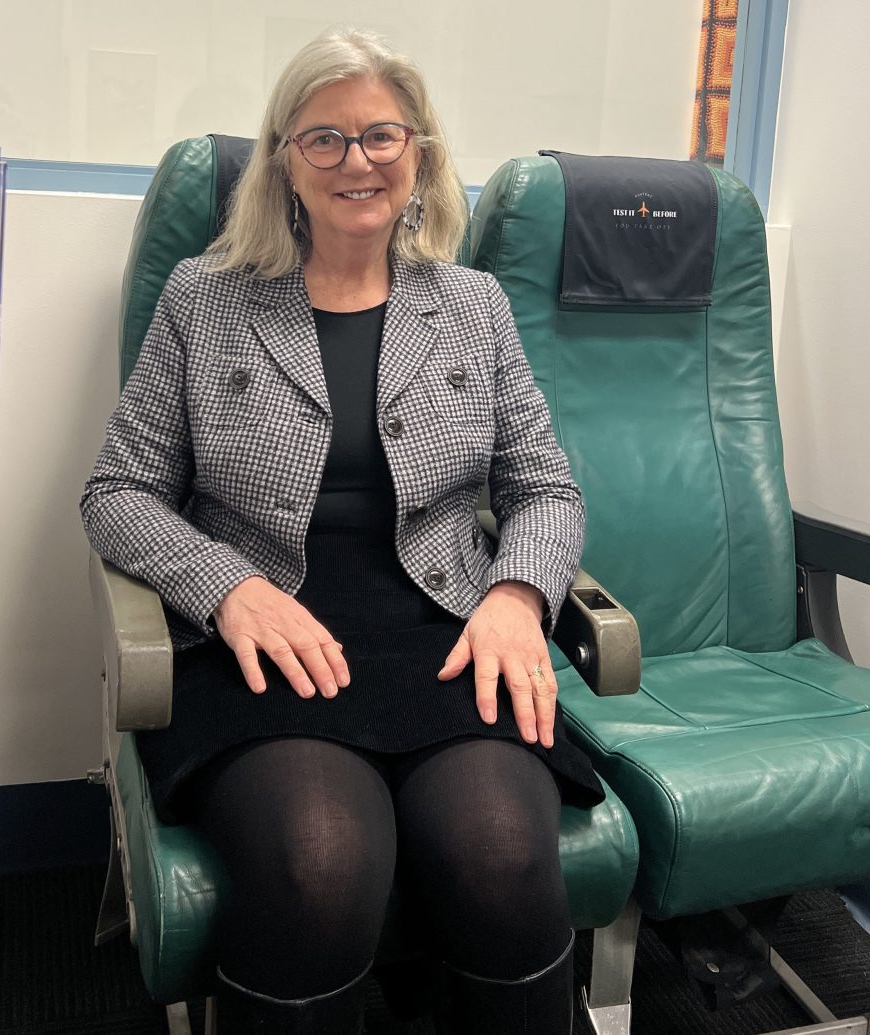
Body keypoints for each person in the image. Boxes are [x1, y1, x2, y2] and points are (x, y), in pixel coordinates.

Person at [81, 27, 603, 1035]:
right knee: (320, 863)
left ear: (420, 155)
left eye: (379, 136)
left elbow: (545, 487)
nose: (355, 161)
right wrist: (226, 588)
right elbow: (117, 493)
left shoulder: (473, 307)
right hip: (266, 640)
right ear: (283, 161)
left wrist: (515, 595)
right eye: (322, 139)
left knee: (501, 855)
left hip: (443, 630)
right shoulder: (207, 299)